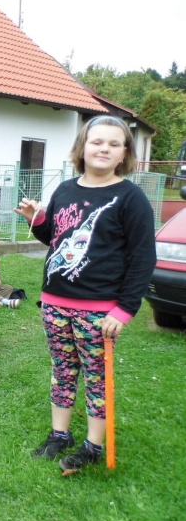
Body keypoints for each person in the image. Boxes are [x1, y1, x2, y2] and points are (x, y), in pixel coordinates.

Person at [14, 115, 156, 475]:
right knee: (62, 370)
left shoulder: (131, 198)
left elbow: (143, 258)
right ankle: (59, 435)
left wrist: (124, 310)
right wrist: (37, 219)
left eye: (113, 143)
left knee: (96, 378)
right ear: (82, 147)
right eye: (97, 141)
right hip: (55, 303)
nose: (104, 148)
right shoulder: (64, 190)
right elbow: (56, 237)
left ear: (124, 153)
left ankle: (93, 446)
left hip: (99, 312)